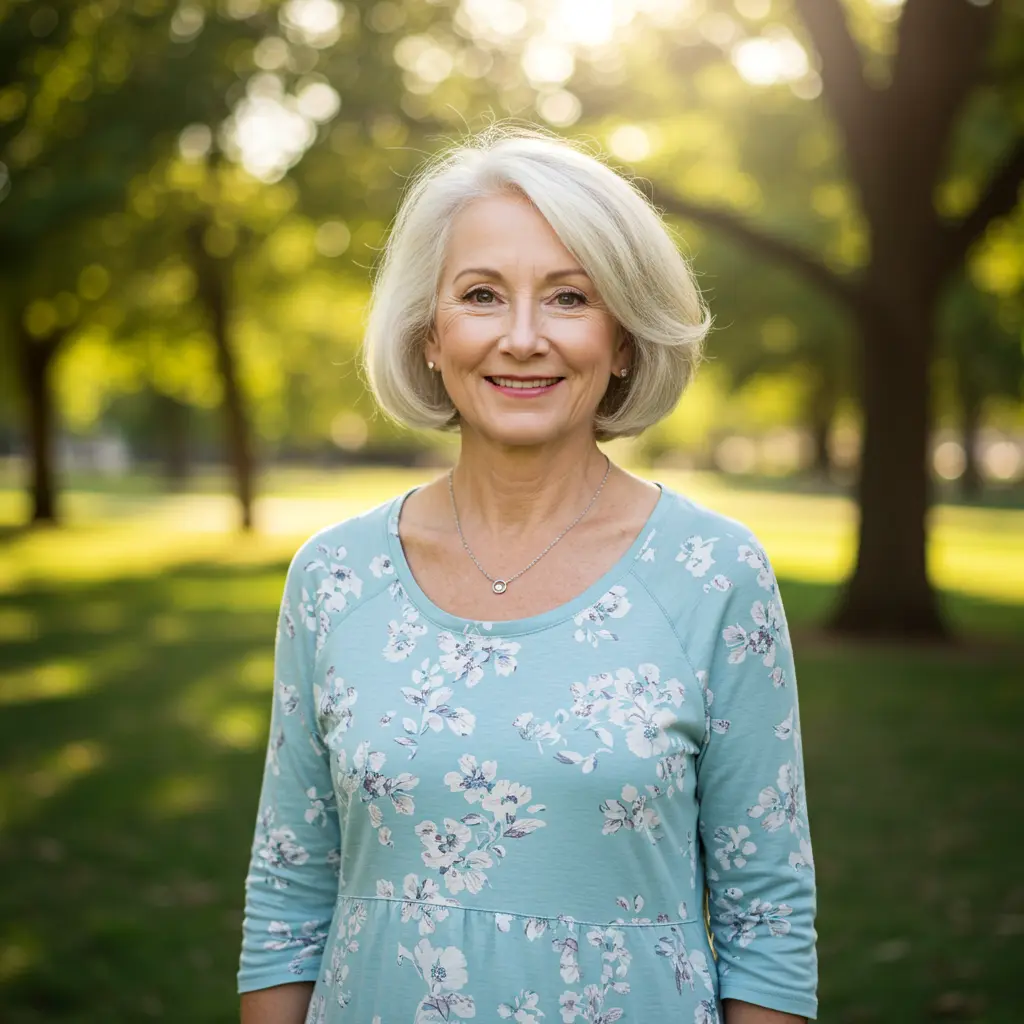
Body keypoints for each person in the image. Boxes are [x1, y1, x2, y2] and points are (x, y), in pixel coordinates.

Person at [238, 126, 817, 1024]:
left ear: (623, 340)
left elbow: (767, 920)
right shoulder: (334, 578)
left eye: (568, 298)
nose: (521, 338)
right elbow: (287, 893)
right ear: (429, 334)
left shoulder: (715, 573)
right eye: (480, 295)